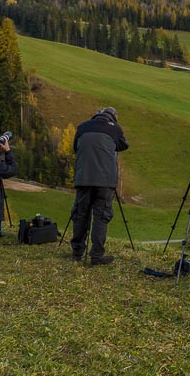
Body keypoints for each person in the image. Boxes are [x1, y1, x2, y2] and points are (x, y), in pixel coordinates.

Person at [70, 107, 129, 266]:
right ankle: (96, 255)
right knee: (101, 216)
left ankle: (77, 252)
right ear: (114, 117)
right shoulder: (115, 128)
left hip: (83, 177)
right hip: (105, 180)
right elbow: (124, 145)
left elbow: (76, 147)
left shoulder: (83, 127)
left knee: (80, 213)